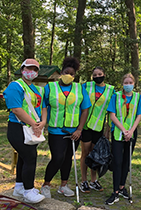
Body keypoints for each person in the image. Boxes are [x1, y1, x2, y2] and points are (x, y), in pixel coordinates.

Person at [40, 57, 91, 198]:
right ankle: (46, 185)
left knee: (68, 158)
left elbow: (85, 109)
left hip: (74, 131)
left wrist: (79, 129)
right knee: (57, 157)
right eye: (67, 72)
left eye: (72, 74)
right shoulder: (50, 87)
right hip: (56, 130)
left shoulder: (79, 89)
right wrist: (42, 122)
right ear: (61, 73)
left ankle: (63, 185)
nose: (69, 76)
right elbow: (43, 106)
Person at [4, 59, 45, 204]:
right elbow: (16, 109)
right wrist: (35, 124)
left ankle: (19, 187)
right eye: (28, 68)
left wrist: (42, 123)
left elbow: (43, 106)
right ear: (22, 70)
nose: (31, 71)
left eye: (35, 69)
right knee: (30, 157)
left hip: (33, 128)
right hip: (18, 127)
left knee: (23, 157)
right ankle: (29, 191)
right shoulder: (15, 86)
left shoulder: (37, 89)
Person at [105, 73, 141, 205]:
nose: (128, 85)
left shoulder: (138, 97)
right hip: (118, 133)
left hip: (131, 135)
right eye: (126, 82)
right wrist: (123, 130)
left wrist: (131, 131)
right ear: (122, 84)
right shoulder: (116, 96)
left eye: (130, 83)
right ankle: (115, 191)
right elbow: (112, 115)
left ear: (134, 84)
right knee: (117, 162)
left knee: (126, 162)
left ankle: (122, 187)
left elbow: (139, 115)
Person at [80, 66, 115, 193]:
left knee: (96, 155)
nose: (97, 76)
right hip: (85, 126)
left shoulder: (111, 90)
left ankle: (93, 181)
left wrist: (108, 128)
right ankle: (84, 181)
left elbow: (111, 110)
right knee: (85, 153)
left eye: (99, 74)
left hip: (99, 126)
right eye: (94, 75)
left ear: (104, 74)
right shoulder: (86, 86)